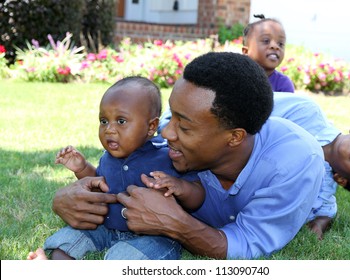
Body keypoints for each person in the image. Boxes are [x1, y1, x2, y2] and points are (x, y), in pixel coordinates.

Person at [50, 52, 325, 259]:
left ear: (234, 137)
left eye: (183, 125)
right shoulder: (178, 132)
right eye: (171, 116)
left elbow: (247, 243)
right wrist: (65, 197)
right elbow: (120, 161)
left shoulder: (294, 163)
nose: (166, 132)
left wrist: (176, 225)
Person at [27, 76, 203, 260]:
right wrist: (81, 168)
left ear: (151, 126)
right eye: (104, 121)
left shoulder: (166, 155)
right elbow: (100, 187)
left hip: (154, 236)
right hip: (106, 228)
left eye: (121, 121)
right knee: (71, 238)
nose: (109, 129)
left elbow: (198, 197)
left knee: (128, 257)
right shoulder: (108, 158)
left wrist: (180, 187)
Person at [271, 92, 350, 239]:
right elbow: (253, 105)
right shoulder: (307, 112)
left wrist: (321, 222)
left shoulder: (321, 184)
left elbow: (327, 208)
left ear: (341, 179)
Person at [242, 14, 295, 93]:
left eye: (280, 44)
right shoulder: (238, 78)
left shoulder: (283, 84)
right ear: (246, 52)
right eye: (266, 41)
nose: (275, 46)